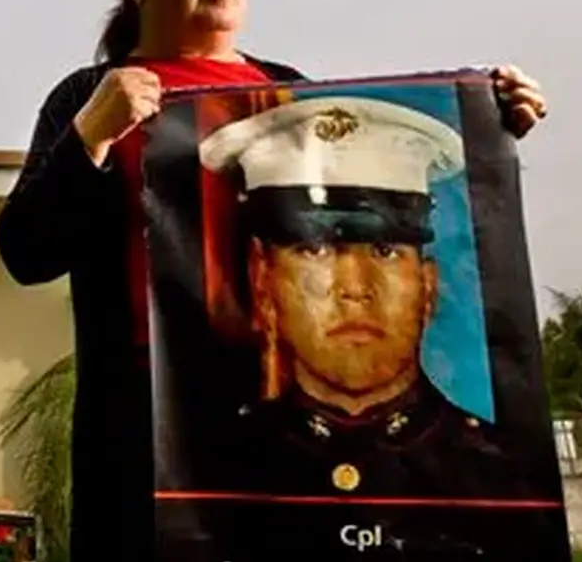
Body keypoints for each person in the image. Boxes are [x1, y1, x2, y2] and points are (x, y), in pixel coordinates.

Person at [0, 0, 548, 562]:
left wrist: (490, 122)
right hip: (145, 439)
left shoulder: (292, 94)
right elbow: (25, 250)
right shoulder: (89, 94)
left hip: (290, 448)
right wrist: (93, 134)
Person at [193, 95, 529, 501]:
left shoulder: (503, 472)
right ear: (263, 282)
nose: (354, 288)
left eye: (386, 250)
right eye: (314, 250)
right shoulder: (211, 474)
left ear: (428, 284)